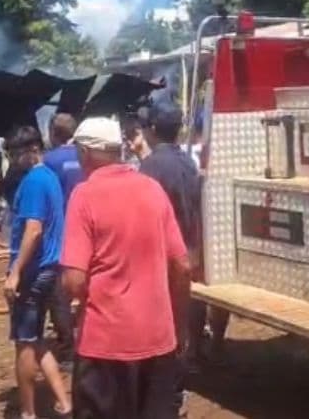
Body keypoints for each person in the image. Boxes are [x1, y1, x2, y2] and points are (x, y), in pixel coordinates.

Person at [61, 117, 192, 419]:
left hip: (105, 344)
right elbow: (182, 266)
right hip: (158, 340)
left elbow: (73, 280)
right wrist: (179, 325)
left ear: (84, 153)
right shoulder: (152, 190)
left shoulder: (84, 196)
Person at [137, 104, 208, 416]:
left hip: (161, 258)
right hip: (189, 252)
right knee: (185, 320)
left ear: (152, 130)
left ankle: (168, 395)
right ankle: (181, 380)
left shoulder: (149, 168)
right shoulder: (188, 162)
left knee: (162, 329)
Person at [3, 126, 72, 419]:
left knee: (24, 343)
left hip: (33, 272)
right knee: (37, 339)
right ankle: (63, 401)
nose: (15, 160)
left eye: (18, 154)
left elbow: (33, 230)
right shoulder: (50, 178)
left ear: (33, 151)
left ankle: (28, 412)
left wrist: (15, 272)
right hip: (49, 269)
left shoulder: (33, 181)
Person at [42, 113, 83, 355]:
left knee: (59, 289)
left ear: (53, 133)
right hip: (90, 228)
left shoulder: (49, 161)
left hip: (61, 231)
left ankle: (67, 343)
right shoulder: (87, 156)